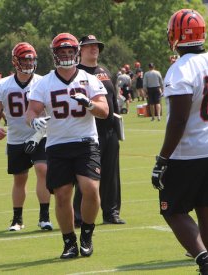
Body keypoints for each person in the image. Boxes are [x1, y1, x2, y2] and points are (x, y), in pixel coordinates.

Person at [152, 9, 208, 274]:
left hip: (189, 151)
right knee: (207, 211)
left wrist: (162, 159)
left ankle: (206, 264)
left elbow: (178, 120)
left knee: (171, 209)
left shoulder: (179, 69)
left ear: (174, 35)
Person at [26, 33, 109, 259]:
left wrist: (89, 103)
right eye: (61, 52)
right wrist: (34, 120)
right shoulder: (45, 82)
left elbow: (104, 111)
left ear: (76, 52)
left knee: (90, 189)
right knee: (62, 195)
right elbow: (31, 110)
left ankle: (87, 234)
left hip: (85, 142)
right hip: (57, 144)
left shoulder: (89, 79)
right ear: (54, 55)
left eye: (69, 52)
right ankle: (69, 241)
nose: (65, 56)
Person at [0, 42, 53, 232]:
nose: (28, 63)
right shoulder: (2, 84)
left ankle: (44, 217)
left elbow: (51, 110)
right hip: (16, 137)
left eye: (31, 59)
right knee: (20, 178)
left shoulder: (43, 81)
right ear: (15, 61)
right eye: (24, 59)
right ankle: (17, 219)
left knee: (43, 170)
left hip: (40, 134)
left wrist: (44, 128)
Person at [73, 34, 125, 226]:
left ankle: (111, 213)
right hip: (88, 130)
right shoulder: (76, 73)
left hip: (109, 131)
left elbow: (112, 99)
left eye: (96, 46)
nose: (94, 48)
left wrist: (118, 122)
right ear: (80, 50)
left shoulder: (103, 71)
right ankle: (78, 216)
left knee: (111, 174)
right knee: (86, 175)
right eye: (89, 46)